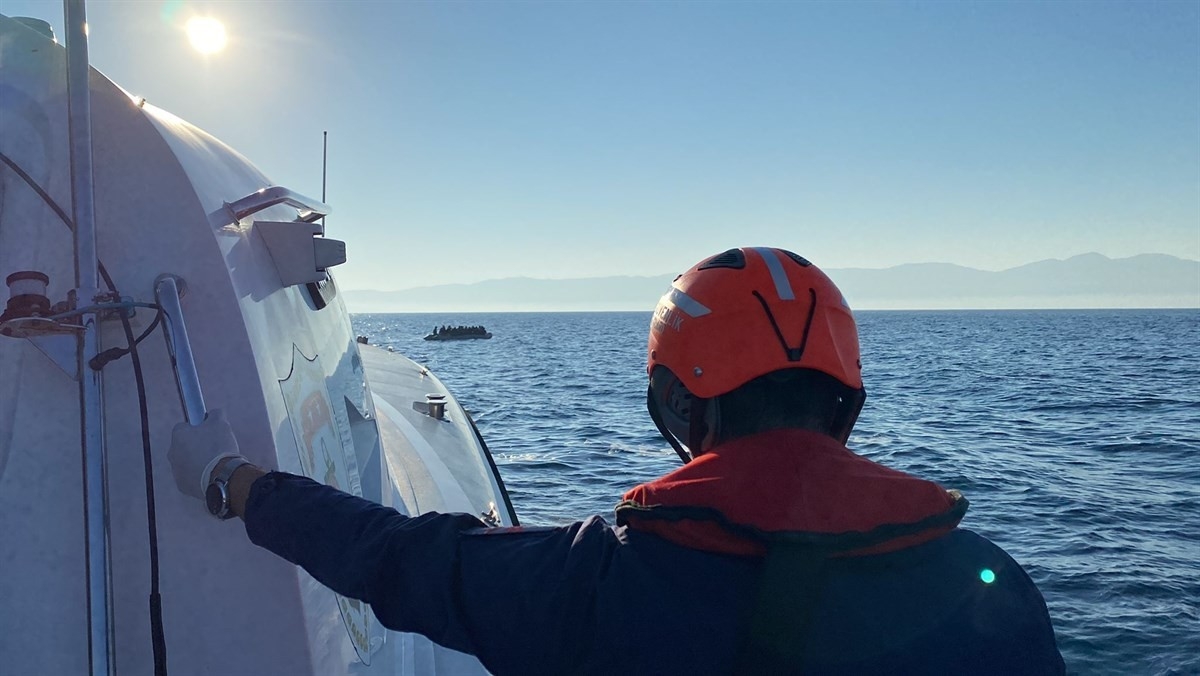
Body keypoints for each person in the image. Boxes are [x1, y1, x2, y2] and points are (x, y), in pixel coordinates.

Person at [170, 246, 1064, 675]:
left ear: (679, 402)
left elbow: (393, 557)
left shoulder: (597, 585)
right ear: (846, 398)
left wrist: (240, 483)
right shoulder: (995, 583)